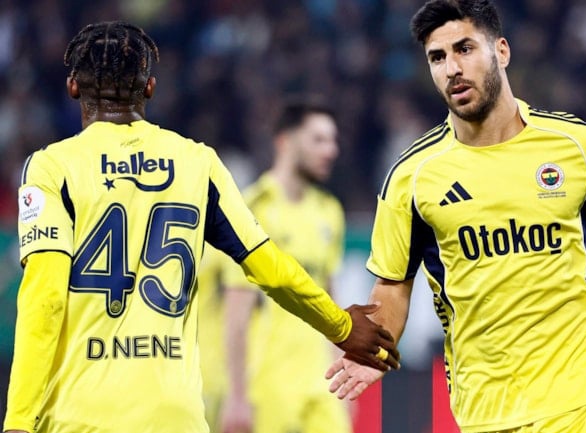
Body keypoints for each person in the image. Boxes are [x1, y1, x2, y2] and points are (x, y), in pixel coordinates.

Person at [3, 21, 398, 433]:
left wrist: (18, 420)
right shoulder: (197, 163)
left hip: (80, 416)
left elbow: (45, 299)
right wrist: (341, 326)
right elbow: (270, 267)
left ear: (73, 87)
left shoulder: (51, 168)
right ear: (150, 88)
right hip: (175, 418)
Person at [326, 1, 586, 432]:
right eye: (437, 58)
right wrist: (375, 346)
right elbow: (393, 285)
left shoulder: (575, 144)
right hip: (485, 413)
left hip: (584, 402)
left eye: (465, 49)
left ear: (502, 51)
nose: (452, 68)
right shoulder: (411, 178)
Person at [198, 98, 353, 433]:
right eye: (319, 140)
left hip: (321, 384)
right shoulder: (252, 210)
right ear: (285, 142)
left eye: (333, 140)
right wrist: (237, 396)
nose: (331, 150)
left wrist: (343, 374)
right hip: (268, 387)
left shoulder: (328, 211)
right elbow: (236, 313)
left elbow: (330, 302)